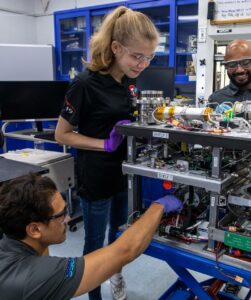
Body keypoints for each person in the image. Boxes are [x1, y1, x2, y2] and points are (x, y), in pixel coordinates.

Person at [55, 6, 159, 300]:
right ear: (115, 47)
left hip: (124, 174)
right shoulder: (85, 84)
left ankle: (117, 276)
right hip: (96, 177)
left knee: (120, 235)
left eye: (149, 57)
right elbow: (61, 134)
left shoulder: (129, 82)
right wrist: (104, 143)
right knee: (96, 246)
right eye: (136, 56)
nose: (142, 64)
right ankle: (94, 295)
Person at [0, 173, 183, 300]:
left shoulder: (11, 238)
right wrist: (158, 206)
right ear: (34, 230)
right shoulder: (35, 276)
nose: (69, 218)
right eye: (61, 215)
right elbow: (125, 250)